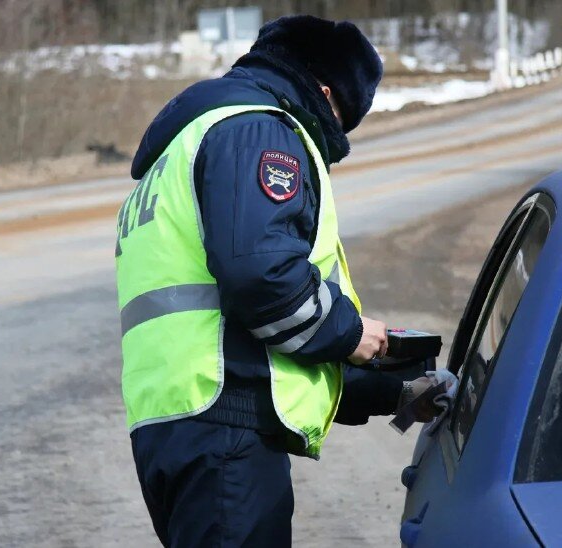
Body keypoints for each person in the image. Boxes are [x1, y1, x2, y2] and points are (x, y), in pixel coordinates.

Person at [115, 15, 445, 547]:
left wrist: (395, 387)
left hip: (174, 424)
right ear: (322, 90)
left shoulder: (185, 146)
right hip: (226, 432)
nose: (334, 136)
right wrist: (350, 333)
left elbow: (244, 329)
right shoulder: (258, 130)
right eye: (339, 117)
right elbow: (263, 280)